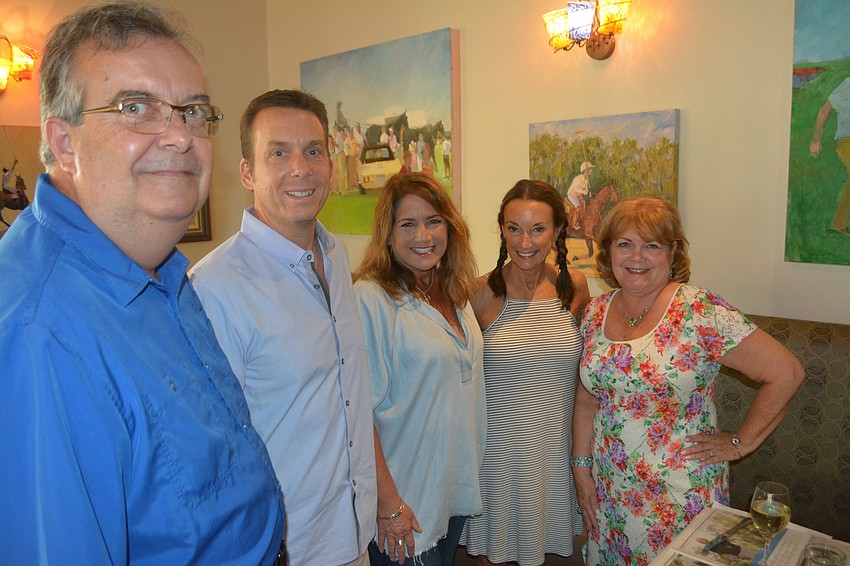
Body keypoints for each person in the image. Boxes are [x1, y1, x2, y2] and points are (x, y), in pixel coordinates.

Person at [0, 3, 285, 564]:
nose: (180, 136)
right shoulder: (42, 334)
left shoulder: (161, 269)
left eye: (193, 112)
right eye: (137, 108)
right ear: (63, 142)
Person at [189, 89, 377, 566]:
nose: (301, 168)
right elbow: (209, 450)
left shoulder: (335, 257)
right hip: (282, 548)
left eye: (314, 151)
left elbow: (347, 396)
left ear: (331, 166)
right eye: (279, 152)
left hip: (353, 533)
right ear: (248, 171)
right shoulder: (214, 287)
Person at [572, 196, 805, 565]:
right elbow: (587, 399)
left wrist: (738, 444)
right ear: (609, 251)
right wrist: (581, 469)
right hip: (611, 489)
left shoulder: (700, 311)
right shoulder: (596, 310)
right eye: (624, 244)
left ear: (673, 251)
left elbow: (786, 372)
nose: (637, 257)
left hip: (679, 493)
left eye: (651, 245)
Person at [353, 172, 485, 565]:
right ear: (388, 235)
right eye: (407, 224)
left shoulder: (455, 291)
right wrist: (389, 506)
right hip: (404, 504)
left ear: (450, 227)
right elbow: (358, 415)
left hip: (450, 490)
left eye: (433, 221)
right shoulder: (372, 298)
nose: (423, 236)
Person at [462, 180, 590, 566]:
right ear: (501, 229)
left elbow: (587, 379)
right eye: (513, 228)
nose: (525, 242)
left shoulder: (575, 288)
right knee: (494, 557)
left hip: (553, 457)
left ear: (558, 231)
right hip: (497, 460)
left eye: (538, 229)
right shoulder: (479, 293)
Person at [810, 76, 850, 234]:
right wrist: (816, 139)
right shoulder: (847, 84)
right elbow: (823, 112)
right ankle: (838, 224)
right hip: (846, 141)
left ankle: (838, 225)